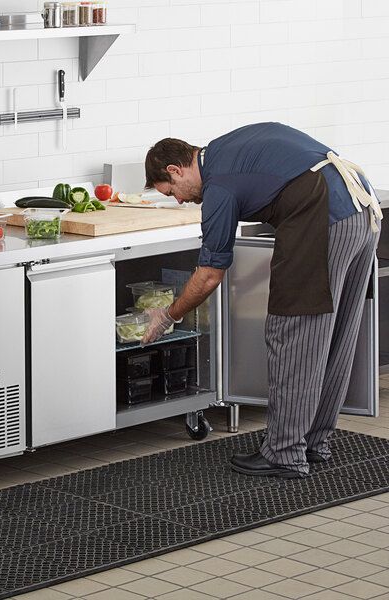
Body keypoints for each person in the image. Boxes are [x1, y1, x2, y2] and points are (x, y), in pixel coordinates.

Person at [142, 122, 382, 478]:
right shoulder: (225, 149)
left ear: (175, 170)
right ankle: (313, 442)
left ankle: (285, 453)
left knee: (292, 334)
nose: (179, 200)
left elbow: (209, 274)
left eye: (171, 190)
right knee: (333, 335)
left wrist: (168, 315)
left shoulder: (219, 185)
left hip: (322, 215)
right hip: (361, 210)